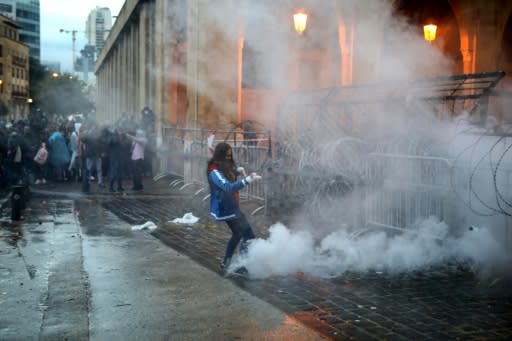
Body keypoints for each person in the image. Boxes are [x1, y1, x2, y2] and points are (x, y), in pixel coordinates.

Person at [206, 142, 262, 276]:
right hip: (226, 209)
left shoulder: (221, 167)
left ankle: (227, 263)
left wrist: (238, 170)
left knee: (238, 234)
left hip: (230, 207)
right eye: (227, 156)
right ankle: (241, 266)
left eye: (230, 156)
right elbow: (228, 187)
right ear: (221, 156)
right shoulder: (214, 171)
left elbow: (228, 171)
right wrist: (247, 180)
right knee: (248, 235)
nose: (229, 159)